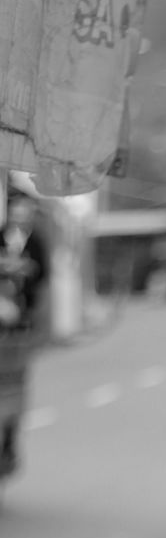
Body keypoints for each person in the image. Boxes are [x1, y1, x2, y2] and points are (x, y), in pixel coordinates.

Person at [0, 193, 48, 476]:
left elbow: (43, 276)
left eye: (27, 210)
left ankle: (8, 444)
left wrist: (25, 272)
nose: (22, 214)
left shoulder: (38, 242)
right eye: (18, 209)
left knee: (13, 391)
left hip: (19, 330)